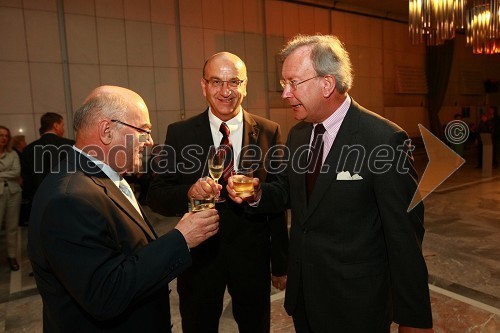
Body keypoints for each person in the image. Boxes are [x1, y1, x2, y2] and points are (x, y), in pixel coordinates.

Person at [228, 34, 434, 333]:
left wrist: (413, 318)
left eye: (292, 82)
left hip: (356, 305)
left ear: (326, 84)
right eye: (283, 83)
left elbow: (405, 235)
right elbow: (291, 192)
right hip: (304, 298)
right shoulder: (299, 135)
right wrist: (258, 192)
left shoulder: (383, 140)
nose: (284, 94)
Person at [27, 85, 219, 332]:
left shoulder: (104, 178)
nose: (150, 141)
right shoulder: (70, 199)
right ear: (107, 131)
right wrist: (181, 239)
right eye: (144, 130)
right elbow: (105, 294)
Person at [147, 52, 289, 333]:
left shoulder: (269, 132)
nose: (226, 91)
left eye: (234, 81)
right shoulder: (180, 133)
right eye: (216, 82)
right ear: (204, 85)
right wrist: (189, 191)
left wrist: (280, 262)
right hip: (199, 259)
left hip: (252, 258)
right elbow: (157, 194)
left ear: (245, 86)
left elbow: (283, 194)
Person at [21, 112, 75, 202]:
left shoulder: (28, 149)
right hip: (65, 196)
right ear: (56, 126)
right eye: (62, 125)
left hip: (38, 198)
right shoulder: (70, 145)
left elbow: (26, 178)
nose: (63, 129)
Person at [0, 126, 22, 271]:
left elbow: (16, 173)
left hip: (14, 193)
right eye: (1, 135)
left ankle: (12, 256)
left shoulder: (12, 153)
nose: (3, 138)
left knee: (12, 227)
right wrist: (8, 172)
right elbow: (11, 172)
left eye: (6, 136)